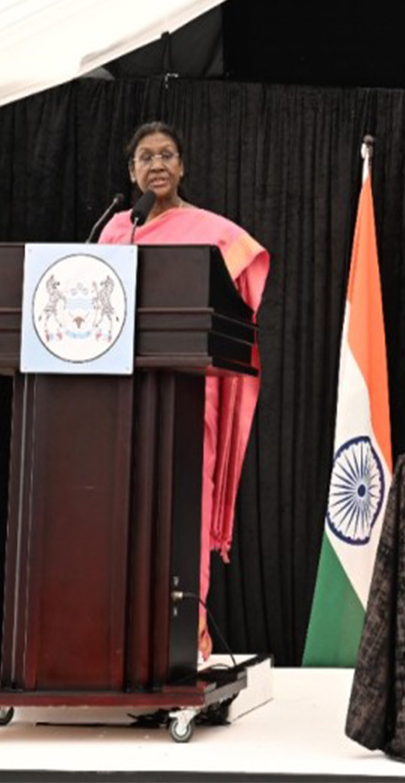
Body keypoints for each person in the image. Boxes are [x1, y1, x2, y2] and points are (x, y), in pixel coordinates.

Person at [99, 121, 269, 658]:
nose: (157, 165)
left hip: (193, 391)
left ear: (182, 166)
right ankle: (123, 635)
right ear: (132, 172)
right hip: (126, 393)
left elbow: (247, 283)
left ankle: (184, 641)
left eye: (167, 155)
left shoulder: (214, 232)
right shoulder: (113, 234)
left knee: (185, 505)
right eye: (145, 157)